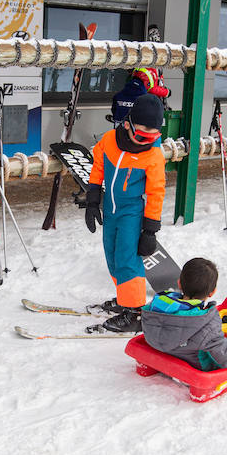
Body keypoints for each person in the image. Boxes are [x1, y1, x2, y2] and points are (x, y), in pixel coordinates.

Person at [85, 92, 167, 333]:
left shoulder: (153, 155)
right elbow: (98, 165)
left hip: (132, 213)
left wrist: (150, 230)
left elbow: (156, 192)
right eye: (142, 135)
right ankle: (125, 299)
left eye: (154, 137)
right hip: (110, 211)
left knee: (127, 260)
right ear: (128, 124)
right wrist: (92, 200)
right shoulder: (110, 140)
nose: (147, 141)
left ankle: (136, 312)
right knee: (112, 256)